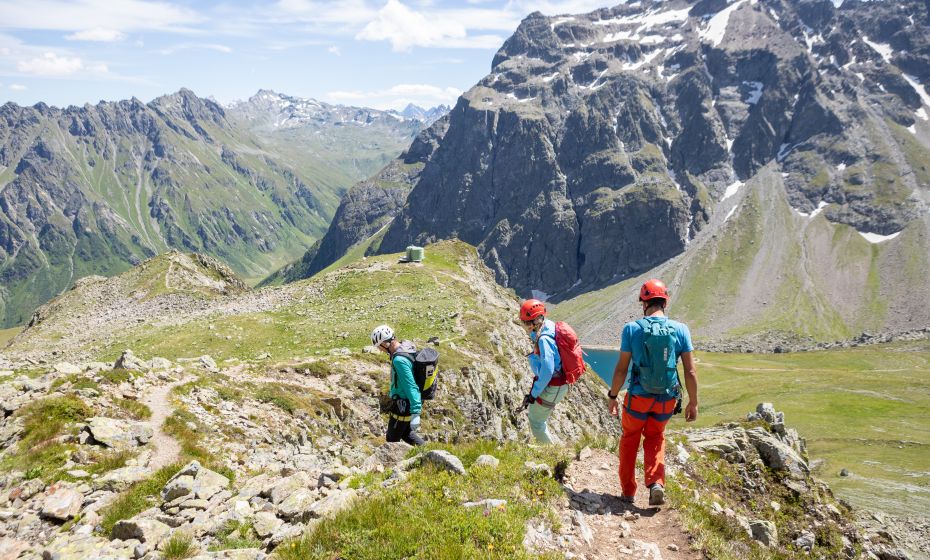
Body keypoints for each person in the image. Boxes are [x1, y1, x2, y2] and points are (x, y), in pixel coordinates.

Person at [607, 279, 699, 505]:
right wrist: (693, 403)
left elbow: (621, 369)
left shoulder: (632, 329)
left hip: (638, 398)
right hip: (666, 400)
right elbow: (690, 371)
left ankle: (628, 492)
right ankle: (656, 483)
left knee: (630, 438)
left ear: (643, 303)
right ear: (665, 302)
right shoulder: (681, 329)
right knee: (656, 437)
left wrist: (613, 396)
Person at [519, 299, 571, 444]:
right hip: (558, 385)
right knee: (539, 418)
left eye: (527, 322)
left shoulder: (544, 340)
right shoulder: (550, 326)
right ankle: (551, 449)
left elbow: (547, 372)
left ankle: (552, 454)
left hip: (554, 386)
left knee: (536, 421)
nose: (525, 326)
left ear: (536, 321)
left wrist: (533, 394)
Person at [371, 324, 424, 446]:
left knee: (392, 439)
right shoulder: (407, 348)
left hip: (403, 405)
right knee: (406, 434)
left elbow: (410, 385)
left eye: (379, 346)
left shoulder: (399, 360)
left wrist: (416, 412)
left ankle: (396, 464)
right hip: (405, 403)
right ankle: (428, 452)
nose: (380, 350)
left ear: (385, 343)